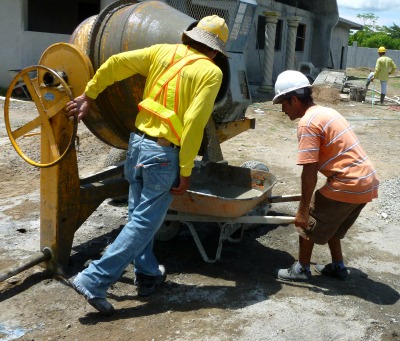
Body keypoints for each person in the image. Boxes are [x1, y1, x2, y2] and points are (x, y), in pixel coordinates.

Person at [65, 15, 229, 315]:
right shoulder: (211, 71)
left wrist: (89, 94)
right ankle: (94, 278)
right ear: (215, 51)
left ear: (189, 37)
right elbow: (194, 122)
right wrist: (186, 169)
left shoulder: (162, 52)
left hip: (137, 146)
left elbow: (114, 64)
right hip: (163, 155)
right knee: (144, 223)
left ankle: (148, 273)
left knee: (139, 217)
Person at [272, 70, 379, 282]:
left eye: (283, 103)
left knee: (308, 222)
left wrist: (303, 211)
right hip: (367, 181)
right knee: (334, 224)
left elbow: (309, 172)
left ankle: (301, 269)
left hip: (348, 181)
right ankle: (338, 266)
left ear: (294, 99)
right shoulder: (325, 112)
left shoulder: (308, 123)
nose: (282, 110)